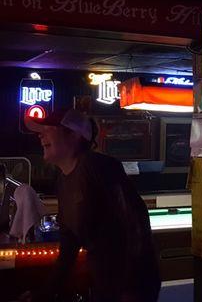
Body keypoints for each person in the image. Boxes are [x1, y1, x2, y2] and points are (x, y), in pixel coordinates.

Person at [21, 109, 160, 302]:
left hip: (130, 285)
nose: (40, 134)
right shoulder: (63, 180)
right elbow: (69, 246)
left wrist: (131, 287)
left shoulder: (97, 166)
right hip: (103, 282)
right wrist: (44, 293)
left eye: (47, 128)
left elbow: (135, 222)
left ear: (74, 135)